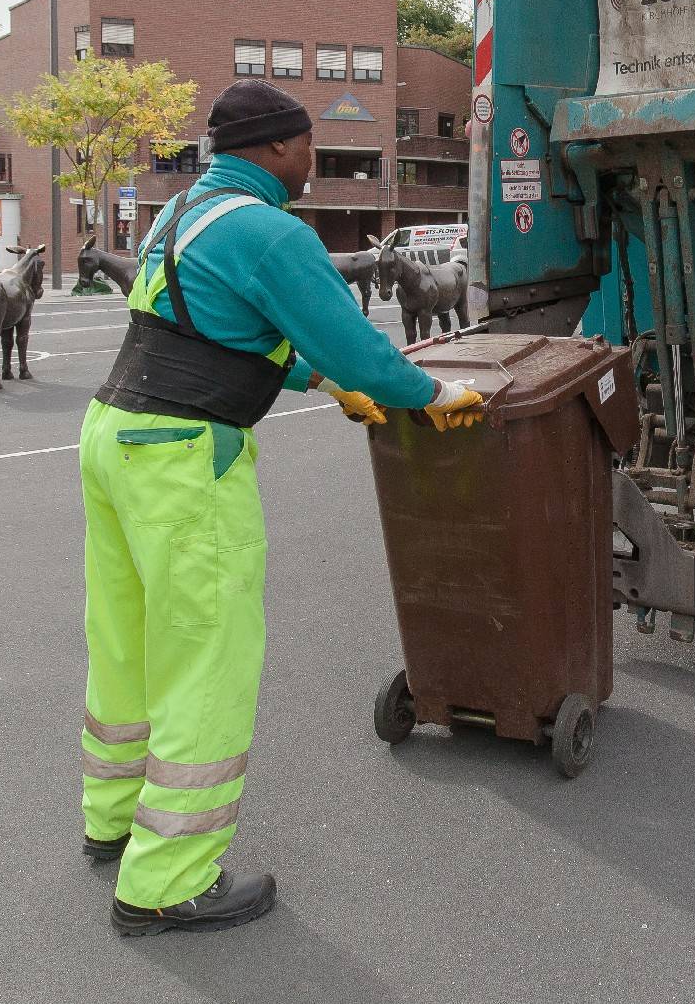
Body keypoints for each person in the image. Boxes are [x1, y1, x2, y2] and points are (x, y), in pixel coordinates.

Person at [78, 79, 483, 937]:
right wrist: (427, 390)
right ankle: (168, 882)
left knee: (125, 639)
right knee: (206, 656)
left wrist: (311, 380)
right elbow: (358, 345)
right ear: (274, 148)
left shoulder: (179, 213)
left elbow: (199, 323)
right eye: (306, 146)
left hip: (114, 435)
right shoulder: (271, 232)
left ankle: (112, 820)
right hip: (185, 457)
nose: (312, 161)